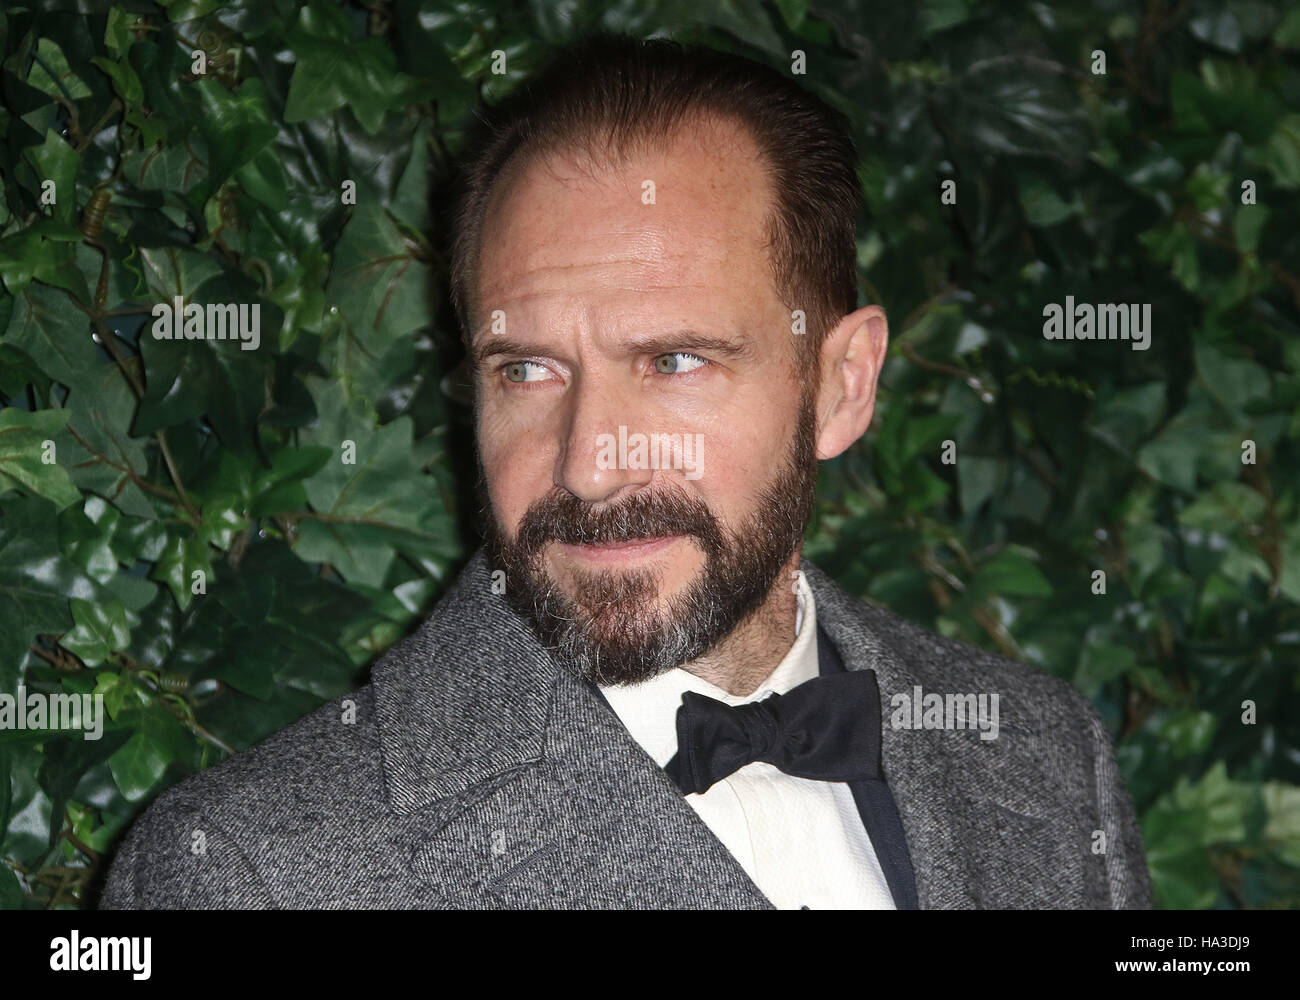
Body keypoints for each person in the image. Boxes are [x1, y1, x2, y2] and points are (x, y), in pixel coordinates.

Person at [100, 34, 1152, 910]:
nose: (592, 463)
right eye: (528, 369)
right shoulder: (249, 873)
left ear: (839, 385)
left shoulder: (1046, 755)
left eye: (675, 359)